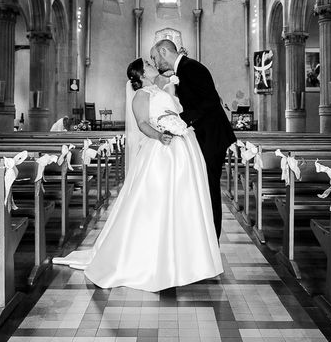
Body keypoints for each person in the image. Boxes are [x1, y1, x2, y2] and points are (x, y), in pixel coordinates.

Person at [52, 58, 222, 292]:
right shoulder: (142, 94)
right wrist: (159, 135)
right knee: (156, 203)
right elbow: (142, 123)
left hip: (182, 148)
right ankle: (155, 257)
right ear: (141, 74)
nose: (154, 66)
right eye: (149, 65)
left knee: (184, 201)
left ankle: (187, 257)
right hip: (161, 151)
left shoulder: (162, 89)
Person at [150, 39, 236, 239]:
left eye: (155, 57)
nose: (155, 63)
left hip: (212, 137)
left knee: (210, 187)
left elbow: (211, 100)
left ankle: (213, 238)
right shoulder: (182, 70)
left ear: (164, 51)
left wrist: (181, 120)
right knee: (203, 186)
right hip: (205, 135)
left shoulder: (191, 68)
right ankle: (205, 235)